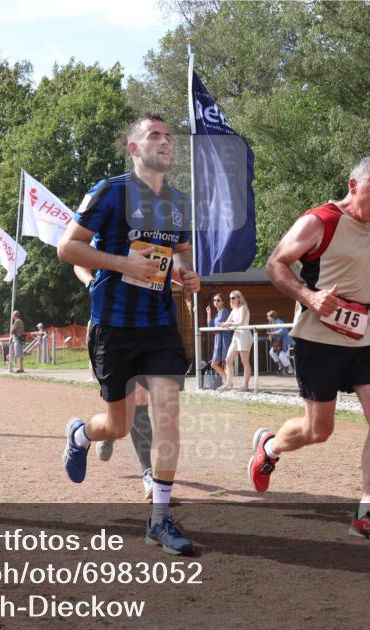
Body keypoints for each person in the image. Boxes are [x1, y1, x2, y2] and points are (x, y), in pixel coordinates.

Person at [57, 113, 201, 553]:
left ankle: (160, 519)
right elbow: (68, 247)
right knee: (117, 426)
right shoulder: (111, 191)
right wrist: (123, 264)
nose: (165, 143)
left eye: (168, 138)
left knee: (167, 414)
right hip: (114, 326)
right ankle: (80, 435)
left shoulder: (178, 201)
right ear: (134, 148)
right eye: (154, 136)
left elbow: (180, 256)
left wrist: (187, 276)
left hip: (158, 325)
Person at [249, 155, 370, 547]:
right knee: (318, 430)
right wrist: (308, 296)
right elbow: (275, 264)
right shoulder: (320, 220)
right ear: (353, 186)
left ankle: (367, 513)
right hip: (318, 338)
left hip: (365, 336)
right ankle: (269, 447)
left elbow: (350, 268)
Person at [74, 265, 155, 500]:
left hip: (146, 325)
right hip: (109, 329)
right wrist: (90, 283)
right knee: (119, 403)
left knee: (140, 402)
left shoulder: (153, 234)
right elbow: (78, 260)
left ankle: (148, 473)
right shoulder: (105, 233)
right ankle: (109, 431)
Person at [220, 290, 252, 391]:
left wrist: (228, 324)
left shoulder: (243, 307)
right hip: (236, 335)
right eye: (230, 298)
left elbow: (241, 322)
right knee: (228, 360)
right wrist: (224, 324)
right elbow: (227, 322)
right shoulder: (233, 310)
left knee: (244, 362)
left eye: (233, 298)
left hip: (244, 335)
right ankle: (229, 384)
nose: (231, 300)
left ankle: (245, 385)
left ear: (239, 298)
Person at [205, 293, 232, 387]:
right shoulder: (216, 314)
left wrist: (215, 328)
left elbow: (220, 324)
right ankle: (228, 381)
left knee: (225, 362)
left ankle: (228, 383)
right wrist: (208, 313)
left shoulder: (225, 311)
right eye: (214, 300)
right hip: (218, 340)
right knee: (214, 364)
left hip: (224, 338)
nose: (216, 302)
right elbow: (211, 326)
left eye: (218, 300)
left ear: (223, 302)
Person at [266, 310, 294, 375]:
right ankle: (281, 366)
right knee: (271, 352)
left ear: (272, 317)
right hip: (278, 343)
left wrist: (273, 333)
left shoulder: (279, 321)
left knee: (282, 355)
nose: (267, 318)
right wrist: (270, 336)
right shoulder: (271, 323)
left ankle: (290, 369)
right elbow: (272, 333)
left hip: (286, 342)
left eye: (268, 317)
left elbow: (282, 331)